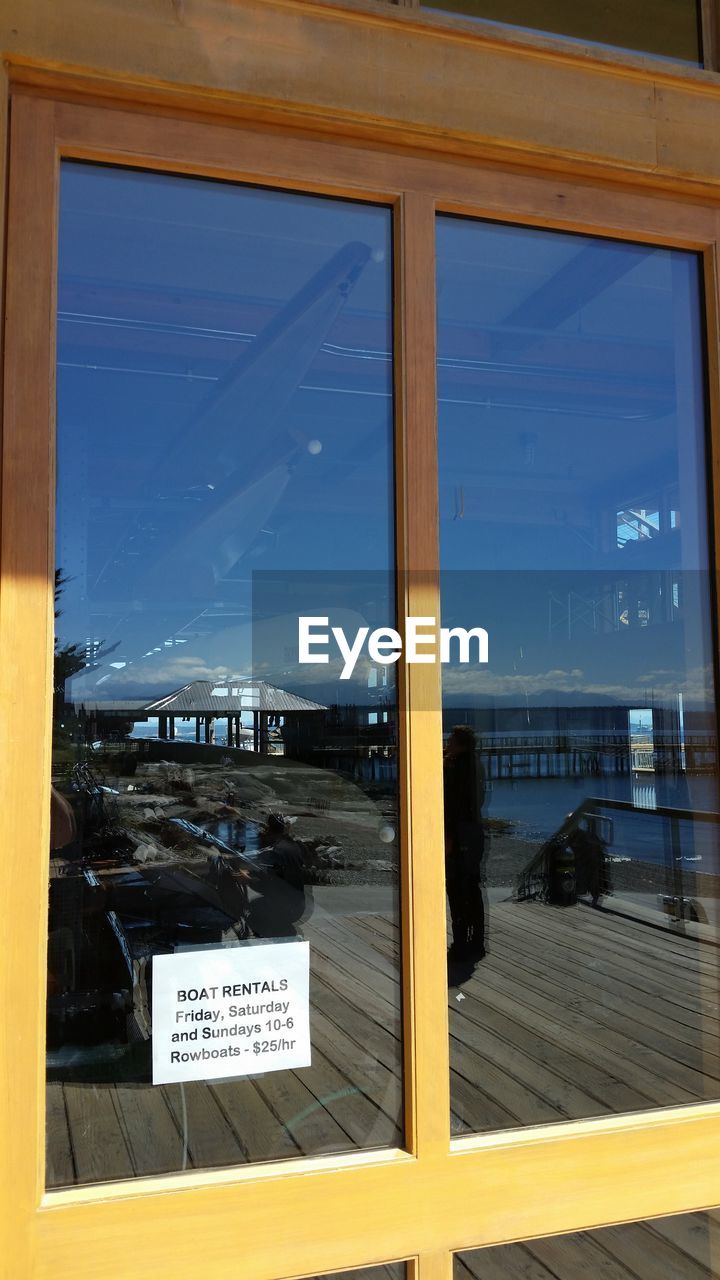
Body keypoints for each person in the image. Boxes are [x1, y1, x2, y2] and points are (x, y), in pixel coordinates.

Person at [443, 725, 487, 964]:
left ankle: (460, 943)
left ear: (460, 744)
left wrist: (449, 838)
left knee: (457, 890)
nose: (447, 743)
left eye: (451, 740)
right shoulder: (475, 764)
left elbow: (453, 805)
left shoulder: (457, 768)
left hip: (460, 836)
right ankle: (476, 942)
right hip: (474, 834)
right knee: (472, 888)